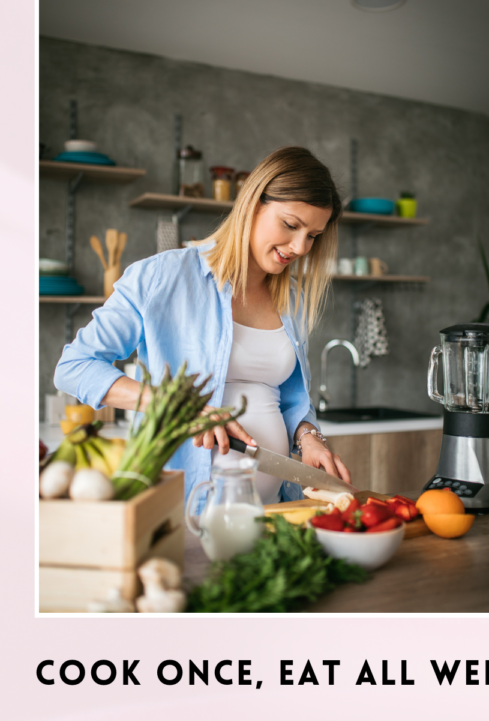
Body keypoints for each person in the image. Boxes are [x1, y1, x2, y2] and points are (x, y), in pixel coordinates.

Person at [54, 146, 351, 509]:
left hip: (274, 509)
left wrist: (309, 436)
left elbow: (291, 400)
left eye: (313, 235)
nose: (300, 247)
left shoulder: (293, 299)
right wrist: (178, 407)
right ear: (253, 202)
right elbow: (74, 367)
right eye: (291, 225)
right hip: (185, 515)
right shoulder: (162, 276)